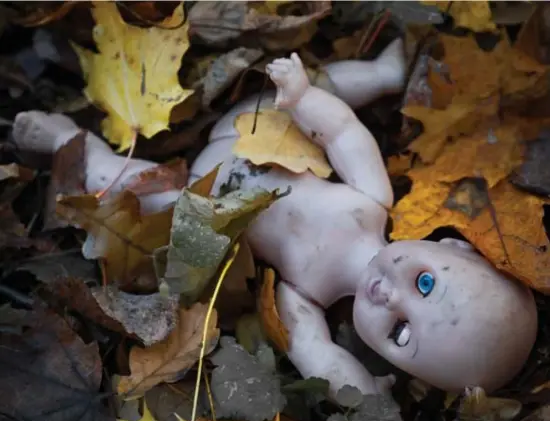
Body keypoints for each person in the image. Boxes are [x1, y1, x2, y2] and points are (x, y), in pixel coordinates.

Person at [12, 39, 537, 400]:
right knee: (331, 89)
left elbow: (316, 354)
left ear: (398, 368)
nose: (389, 297)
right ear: (456, 247)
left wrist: (360, 392)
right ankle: (384, 72)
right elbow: (345, 134)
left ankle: (68, 143)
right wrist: (305, 98)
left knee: (135, 193)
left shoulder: (306, 294)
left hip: (202, 197)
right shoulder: (371, 201)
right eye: (424, 282)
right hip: (264, 123)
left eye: (400, 334)